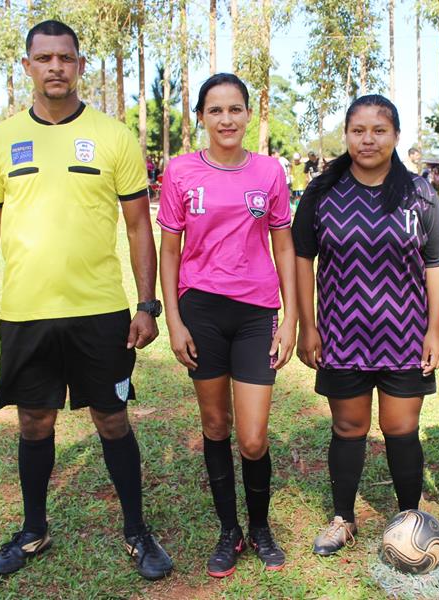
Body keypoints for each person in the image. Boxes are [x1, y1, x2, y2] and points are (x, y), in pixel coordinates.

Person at [0, 20, 173, 580]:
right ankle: (34, 530)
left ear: (80, 66)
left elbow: (138, 228)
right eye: (44, 58)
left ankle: (136, 532)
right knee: (34, 422)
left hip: (100, 312)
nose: (55, 67)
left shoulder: (113, 136)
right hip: (26, 313)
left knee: (112, 418)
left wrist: (146, 304)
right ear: (27, 66)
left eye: (66, 58)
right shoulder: (0, 141)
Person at [292, 95, 439, 556]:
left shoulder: (418, 193)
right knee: (348, 428)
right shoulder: (323, 192)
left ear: (396, 136)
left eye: (379, 130)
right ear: (346, 135)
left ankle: (411, 521)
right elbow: (301, 259)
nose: (368, 139)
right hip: (341, 333)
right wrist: (309, 325)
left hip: (405, 335)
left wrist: (435, 330)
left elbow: (438, 263)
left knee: (401, 429)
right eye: (358, 130)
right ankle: (343, 518)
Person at [157, 73, 297, 578]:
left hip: (258, 313)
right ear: (200, 117)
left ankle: (259, 527)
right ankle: (228, 530)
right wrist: (173, 320)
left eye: (235, 109)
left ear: (248, 115)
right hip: (202, 312)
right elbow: (169, 250)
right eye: (215, 110)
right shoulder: (178, 172)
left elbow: (284, 245)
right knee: (216, 426)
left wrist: (291, 319)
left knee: (254, 438)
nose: (226, 119)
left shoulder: (269, 171)